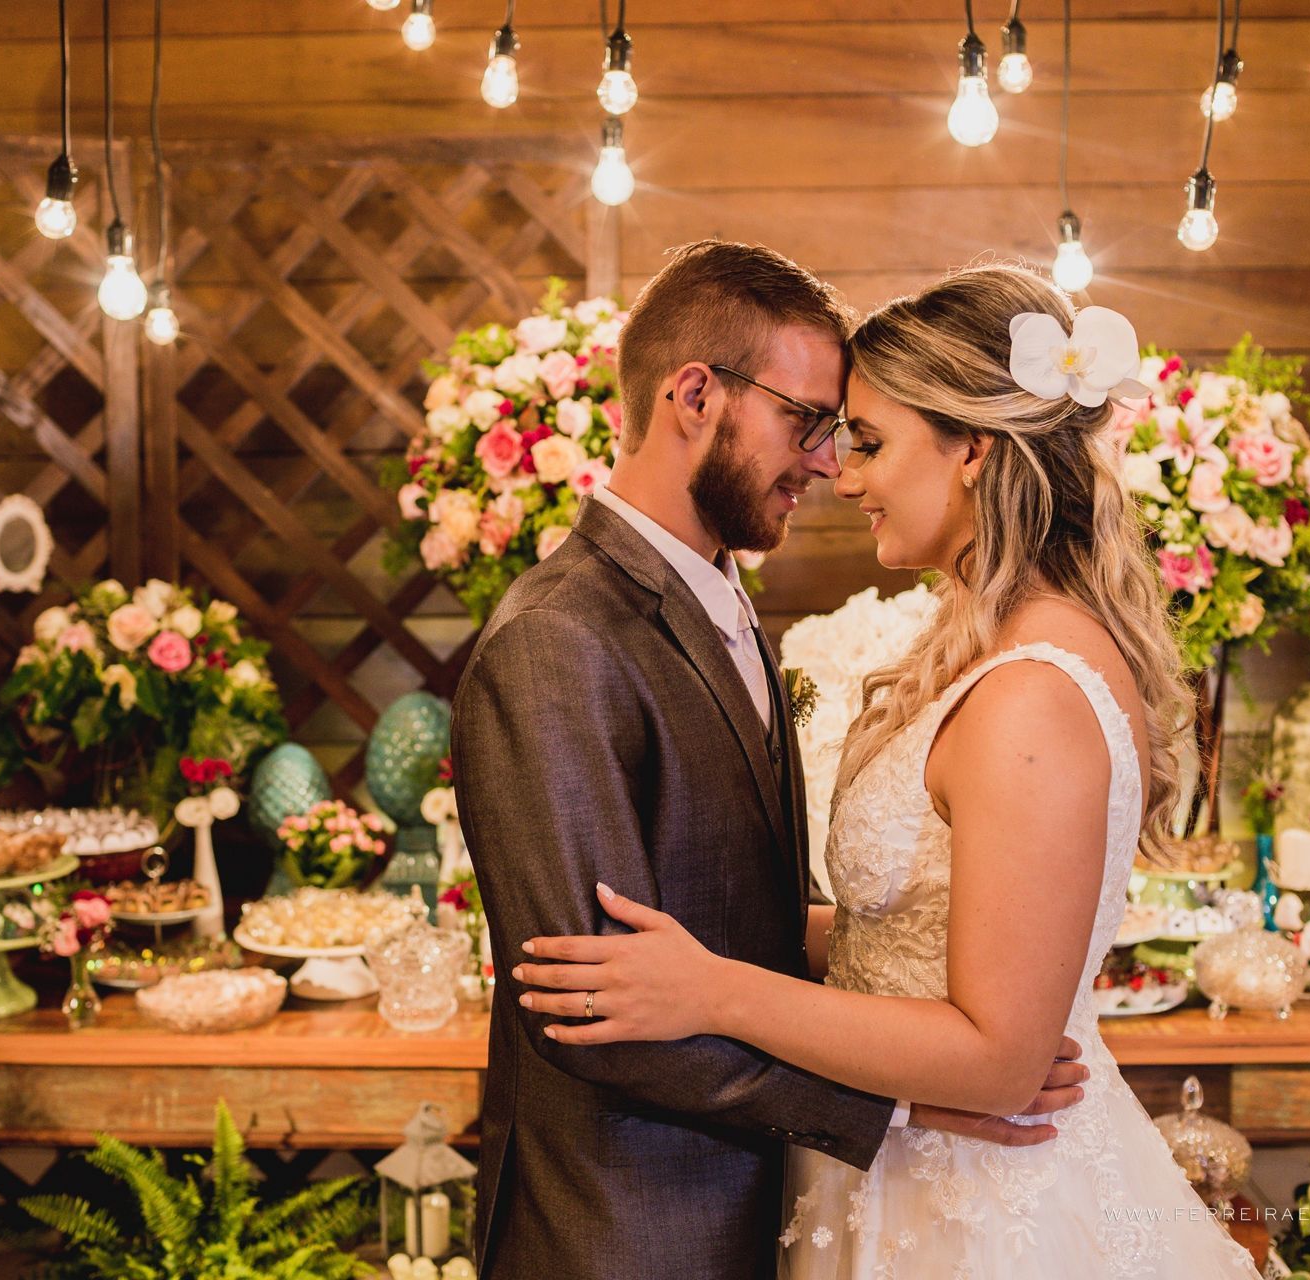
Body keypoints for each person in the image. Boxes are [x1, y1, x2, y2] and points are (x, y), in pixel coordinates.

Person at [509, 264, 1262, 1277]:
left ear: (974, 452)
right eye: (831, 435)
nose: (843, 474)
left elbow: (999, 1056)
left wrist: (715, 989)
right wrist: (703, 965)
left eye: (867, 439)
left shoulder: (1033, 690)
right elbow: (897, 932)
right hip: (893, 1175)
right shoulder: (988, 642)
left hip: (982, 1209)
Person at [451, 243, 1087, 1280]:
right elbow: (596, 1008)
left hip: (757, 1207)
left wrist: (939, 980)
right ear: (695, 394)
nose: (828, 463)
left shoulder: (724, 599)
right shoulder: (556, 641)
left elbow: (732, 919)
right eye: (806, 420)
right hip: (628, 1232)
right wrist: (911, 1096)